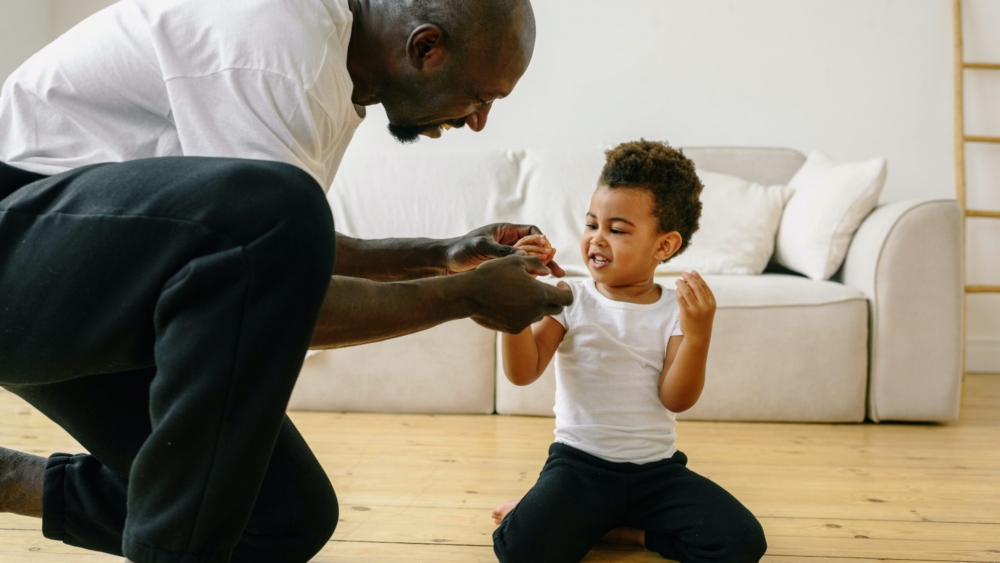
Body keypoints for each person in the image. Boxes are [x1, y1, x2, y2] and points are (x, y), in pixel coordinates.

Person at [0, 1, 574, 562]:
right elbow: (278, 288)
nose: (477, 121)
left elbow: (276, 256)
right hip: (17, 245)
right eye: (481, 97)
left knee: (285, 517)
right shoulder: (277, 42)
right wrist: (466, 296)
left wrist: (441, 255)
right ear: (425, 48)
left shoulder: (329, 60)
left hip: (92, 272)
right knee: (284, 208)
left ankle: (7, 481)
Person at [491, 140, 768, 563]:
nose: (597, 239)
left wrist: (698, 336)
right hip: (578, 469)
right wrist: (512, 308)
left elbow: (676, 399)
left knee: (743, 541)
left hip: (656, 475)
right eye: (591, 224)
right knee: (519, 550)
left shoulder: (674, 309)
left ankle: (629, 534)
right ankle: (553, 512)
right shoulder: (570, 297)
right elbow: (523, 372)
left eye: (616, 230)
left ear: (663, 247)